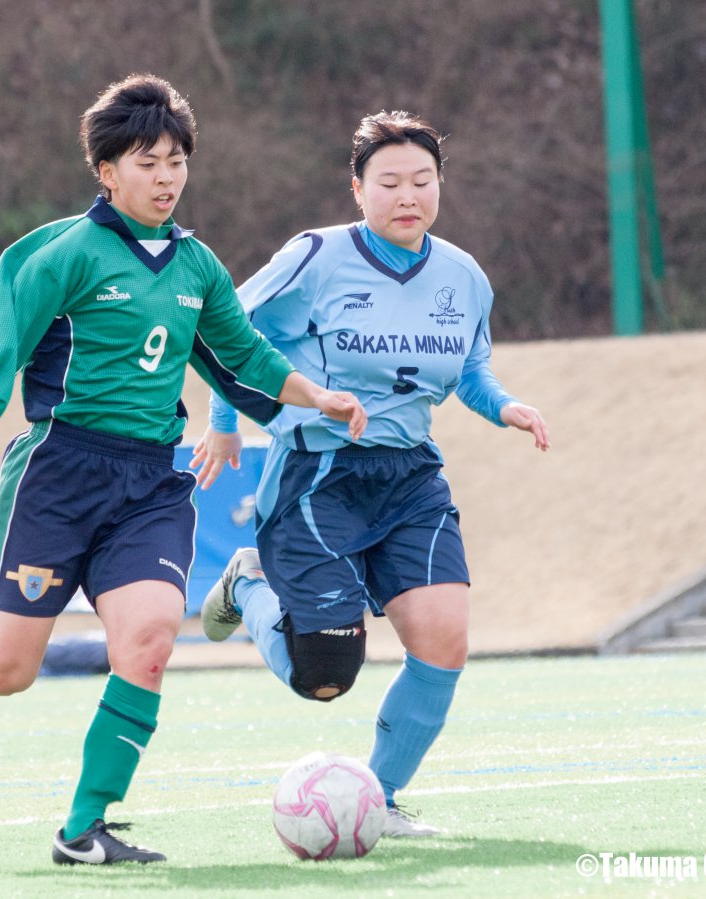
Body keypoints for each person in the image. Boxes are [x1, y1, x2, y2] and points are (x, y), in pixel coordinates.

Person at [0, 73, 367, 866]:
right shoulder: (64, 252)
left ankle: (85, 827)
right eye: (148, 162)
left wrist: (317, 394)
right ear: (107, 171)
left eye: (177, 160)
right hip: (58, 472)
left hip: (150, 481)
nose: (166, 176)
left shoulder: (196, 267)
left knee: (148, 641)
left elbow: (241, 359)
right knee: (9, 672)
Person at [194, 111, 550, 837]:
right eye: (388, 182)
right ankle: (248, 581)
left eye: (422, 180)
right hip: (320, 470)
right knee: (323, 672)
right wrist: (226, 423)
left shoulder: (463, 276)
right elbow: (229, 329)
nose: (407, 195)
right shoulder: (316, 257)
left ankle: (378, 800)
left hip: (412, 476)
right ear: (357, 189)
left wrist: (504, 405)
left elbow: (470, 371)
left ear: (440, 185)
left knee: (445, 640)